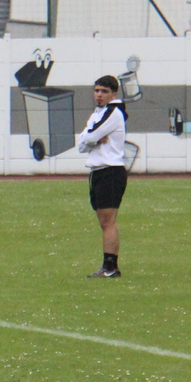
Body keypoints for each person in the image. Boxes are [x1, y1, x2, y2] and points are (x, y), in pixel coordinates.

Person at [77, 75, 127, 278]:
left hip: (110, 171)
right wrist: (93, 139)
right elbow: (82, 144)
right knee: (104, 222)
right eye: (97, 90)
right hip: (98, 171)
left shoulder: (113, 113)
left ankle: (110, 267)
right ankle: (109, 266)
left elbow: (88, 137)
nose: (99, 95)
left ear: (113, 94)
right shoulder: (98, 114)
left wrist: (91, 139)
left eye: (104, 91)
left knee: (108, 221)